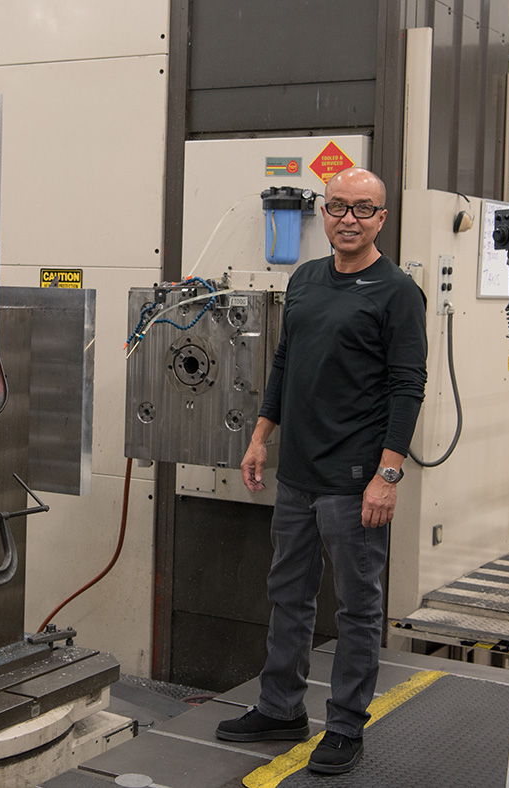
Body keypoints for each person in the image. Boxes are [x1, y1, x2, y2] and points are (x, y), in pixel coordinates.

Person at [215, 167, 427, 775]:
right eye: (338, 207)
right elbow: (284, 363)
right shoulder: (305, 280)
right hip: (297, 474)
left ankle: (345, 726)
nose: (348, 220)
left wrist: (387, 475)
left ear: (381, 219)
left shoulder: (397, 292)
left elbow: (407, 387)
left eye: (363, 210)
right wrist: (261, 437)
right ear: (325, 213)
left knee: (357, 606)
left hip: (355, 480)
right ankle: (281, 707)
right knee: (289, 595)